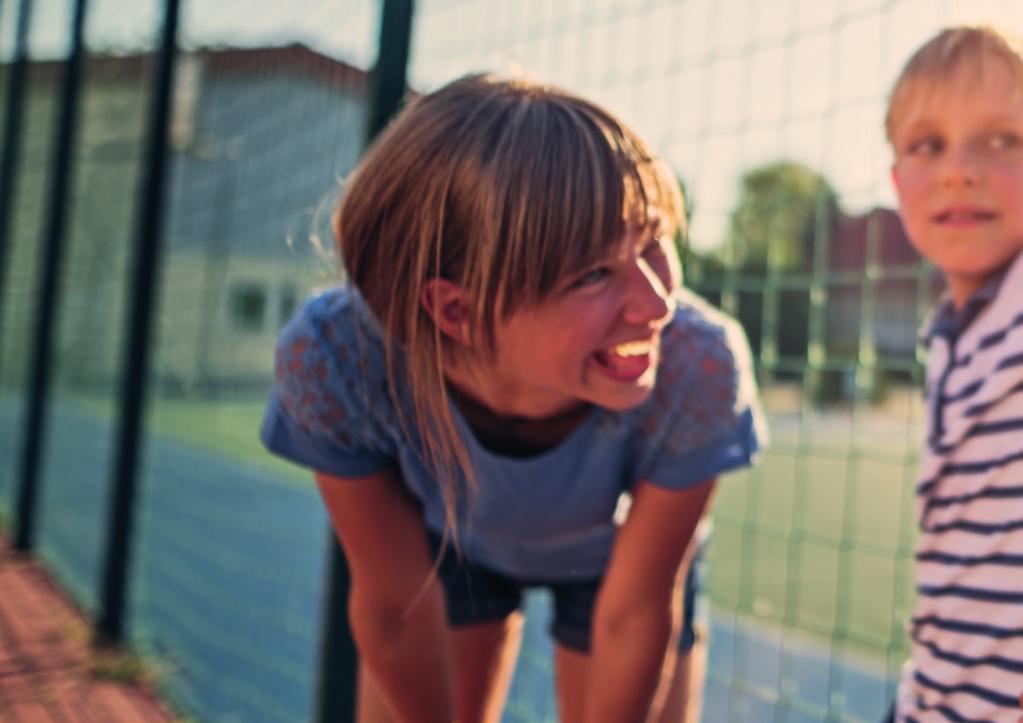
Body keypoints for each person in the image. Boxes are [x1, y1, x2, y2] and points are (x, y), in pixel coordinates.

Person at [260, 73, 764, 723]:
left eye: (652, 241)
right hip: (449, 549)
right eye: (592, 274)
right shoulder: (335, 357)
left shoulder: (695, 360)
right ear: (456, 310)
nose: (656, 302)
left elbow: (636, 612)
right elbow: (394, 604)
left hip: (620, 563)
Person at [884, 25, 1023, 722]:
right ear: (895, 180)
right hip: (934, 697)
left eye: (1002, 138)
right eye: (926, 144)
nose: (958, 169)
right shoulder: (948, 333)